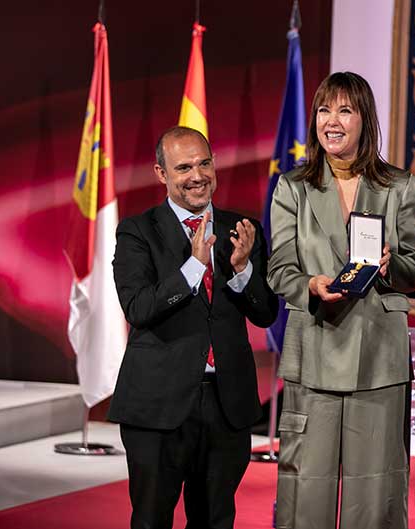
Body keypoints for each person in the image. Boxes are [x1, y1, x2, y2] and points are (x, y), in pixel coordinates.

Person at [267, 71, 415, 529]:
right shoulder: (292, 187)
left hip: (378, 357)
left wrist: (389, 266)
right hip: (314, 346)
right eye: (323, 110)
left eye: (344, 110)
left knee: (375, 493)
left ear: (364, 119)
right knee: (306, 493)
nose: (331, 121)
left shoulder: (399, 186)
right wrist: (310, 287)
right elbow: (279, 268)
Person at [109, 126, 279, 529]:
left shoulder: (242, 229)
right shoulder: (137, 231)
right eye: (183, 167)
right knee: (151, 520)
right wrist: (193, 267)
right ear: (161, 173)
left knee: (215, 520)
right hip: (158, 406)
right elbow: (138, 308)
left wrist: (242, 269)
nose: (197, 175)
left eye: (204, 163)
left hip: (226, 406)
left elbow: (266, 313)